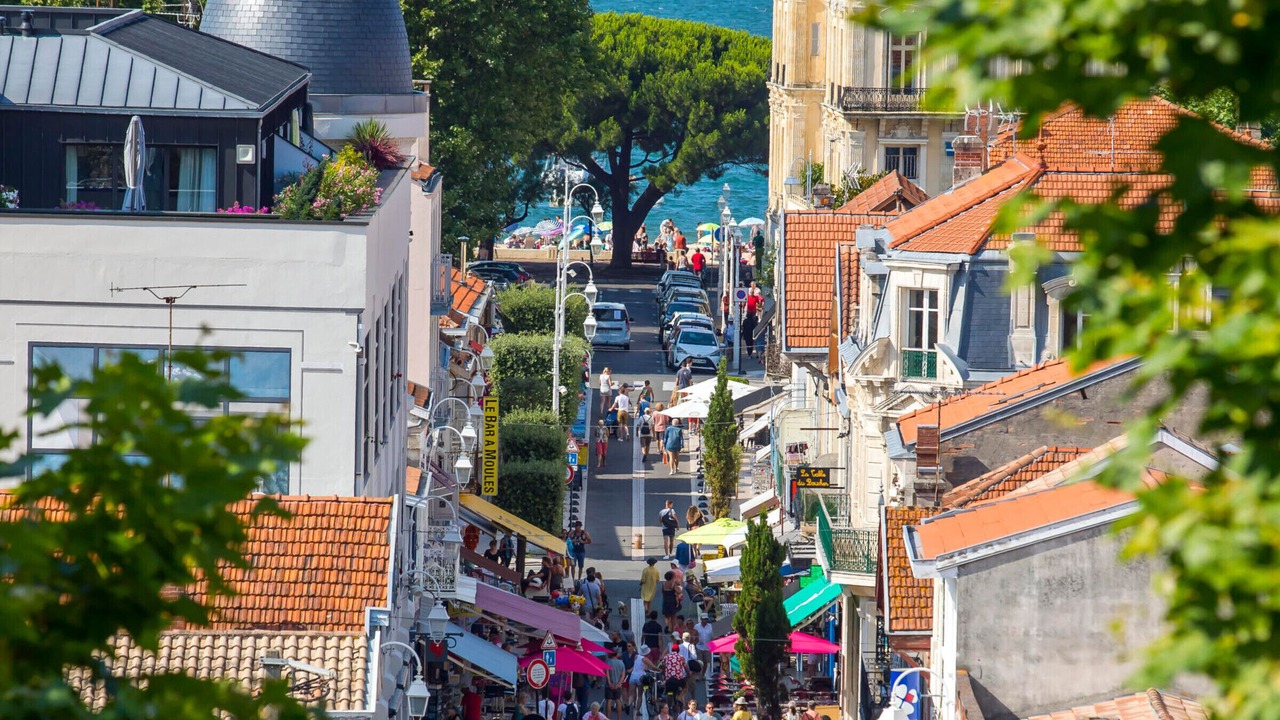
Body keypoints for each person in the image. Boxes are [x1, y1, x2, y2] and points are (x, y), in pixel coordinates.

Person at [604, 648, 627, 719]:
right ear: (616, 654)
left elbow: (607, 673)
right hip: (618, 686)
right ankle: (619, 718)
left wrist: (609, 683)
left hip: (609, 686)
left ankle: (608, 717)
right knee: (618, 700)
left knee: (609, 701)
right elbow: (623, 675)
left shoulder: (608, 662)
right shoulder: (621, 663)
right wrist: (619, 684)